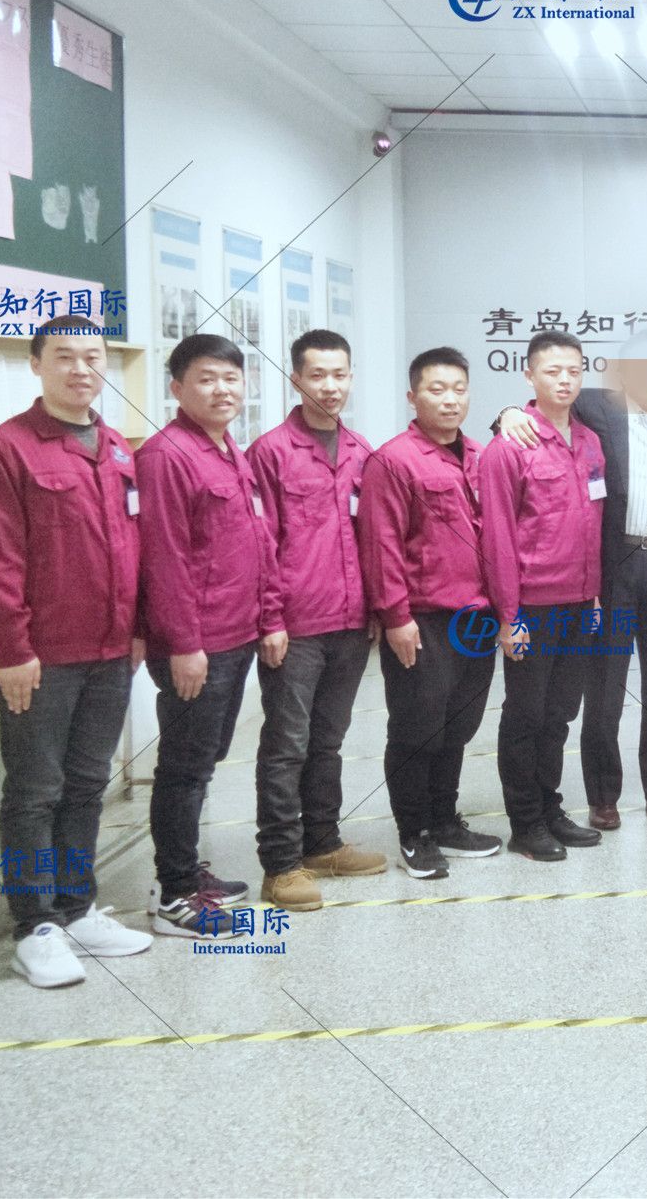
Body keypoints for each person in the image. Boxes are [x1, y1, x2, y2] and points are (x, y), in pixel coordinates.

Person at [0, 315, 154, 986]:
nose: (81, 369)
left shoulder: (117, 447)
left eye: (92, 357)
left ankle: (76, 909)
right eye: (65, 356)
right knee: (34, 792)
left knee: (86, 784)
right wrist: (11, 649)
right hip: (41, 657)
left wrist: (137, 627)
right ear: (36, 364)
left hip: (110, 651)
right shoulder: (3, 450)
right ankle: (34, 926)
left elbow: (132, 547)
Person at [498, 338, 647, 827]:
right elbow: (540, 410)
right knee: (605, 688)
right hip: (616, 567)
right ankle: (603, 796)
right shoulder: (597, 408)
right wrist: (505, 413)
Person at [137, 334, 282, 937]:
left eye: (231, 378)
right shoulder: (166, 455)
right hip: (198, 644)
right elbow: (164, 558)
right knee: (185, 765)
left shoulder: (228, 449)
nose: (222, 389)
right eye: (206, 378)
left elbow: (258, 542)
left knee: (204, 758)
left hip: (234, 635)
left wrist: (269, 618)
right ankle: (174, 893)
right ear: (177, 388)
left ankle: (186, 870)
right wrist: (184, 644)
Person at [245, 329, 385, 912]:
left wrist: (375, 609)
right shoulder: (270, 452)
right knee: (287, 745)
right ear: (296, 379)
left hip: (350, 622)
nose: (330, 386)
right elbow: (260, 544)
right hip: (295, 625)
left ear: (351, 378)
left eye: (340, 374)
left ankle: (322, 843)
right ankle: (280, 865)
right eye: (318, 375)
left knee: (329, 740)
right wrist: (270, 619)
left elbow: (372, 536)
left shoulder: (360, 449)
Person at [358, 347, 502, 880]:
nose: (449, 400)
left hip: (477, 617)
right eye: (436, 389)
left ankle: (444, 820)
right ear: (412, 396)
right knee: (418, 727)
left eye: (459, 389)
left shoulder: (481, 456)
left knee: (458, 725)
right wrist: (396, 617)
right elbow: (381, 544)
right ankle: (414, 833)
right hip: (423, 618)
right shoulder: (393, 461)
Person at [479, 330, 608, 861]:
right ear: (529, 375)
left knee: (559, 715)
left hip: (579, 604)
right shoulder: (509, 446)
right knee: (525, 716)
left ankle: (550, 809)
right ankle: (525, 823)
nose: (564, 380)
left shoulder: (590, 441)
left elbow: (592, 522)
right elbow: (498, 539)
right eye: (553, 371)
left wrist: (593, 595)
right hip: (532, 605)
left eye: (574, 371)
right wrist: (508, 616)